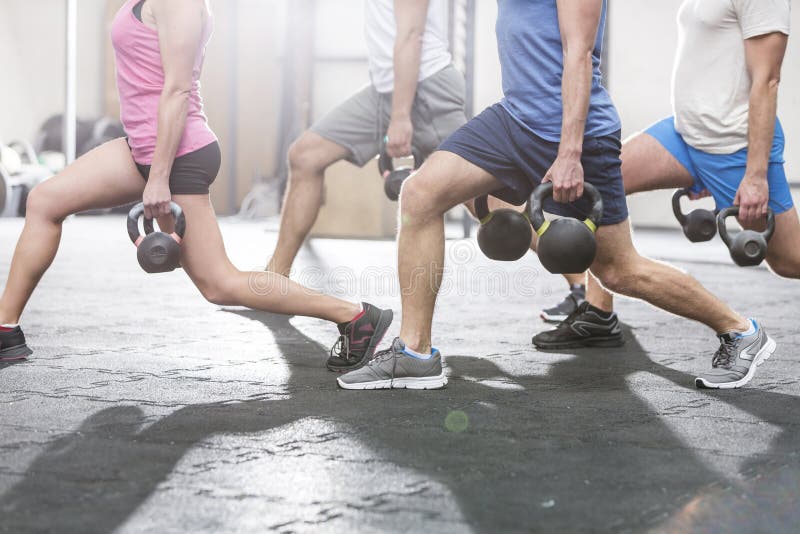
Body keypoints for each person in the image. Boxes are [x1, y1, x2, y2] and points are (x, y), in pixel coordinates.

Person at [337, 0, 775, 391]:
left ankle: (739, 330)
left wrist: (570, 152)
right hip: (513, 119)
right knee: (421, 194)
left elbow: (579, 52)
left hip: (574, 133)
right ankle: (414, 353)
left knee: (618, 271)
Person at [0, 0, 392, 373]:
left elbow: (178, 90)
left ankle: (355, 316)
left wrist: (157, 177)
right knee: (44, 201)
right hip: (141, 147)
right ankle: (6, 329)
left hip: (177, 155)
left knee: (220, 283)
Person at [534, 0, 792, 387]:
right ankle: (599, 312)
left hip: (732, 145)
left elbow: (767, 80)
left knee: (790, 261)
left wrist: (754, 176)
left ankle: (743, 335)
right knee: (590, 188)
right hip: (684, 133)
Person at [266, 0, 466, 278]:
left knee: (482, 196)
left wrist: (400, 116)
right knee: (305, 155)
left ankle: (546, 246)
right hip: (384, 91)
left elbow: (411, 35)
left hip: (426, 90)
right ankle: (275, 277)